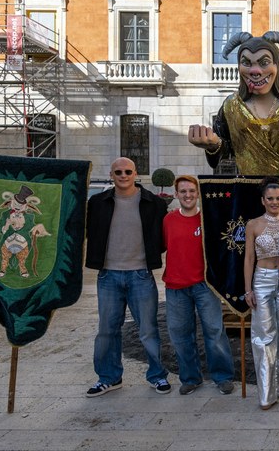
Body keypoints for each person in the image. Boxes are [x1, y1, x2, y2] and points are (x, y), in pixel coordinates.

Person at [188, 31, 279, 218]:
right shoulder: (231, 106)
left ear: (277, 65)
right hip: (246, 195)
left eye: (263, 62)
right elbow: (223, 153)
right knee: (246, 244)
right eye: (247, 63)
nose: (255, 71)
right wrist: (213, 144)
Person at [85, 157, 170, 397]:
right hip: (108, 276)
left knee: (148, 329)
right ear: (111, 175)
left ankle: (157, 376)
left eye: (128, 171)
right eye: (118, 172)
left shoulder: (153, 203)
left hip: (140, 275)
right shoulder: (97, 203)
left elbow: (162, 236)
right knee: (107, 330)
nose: (123, 175)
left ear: (136, 174)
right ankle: (109, 378)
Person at [162, 175, 235, 396]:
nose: (188, 195)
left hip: (205, 285)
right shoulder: (168, 220)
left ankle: (222, 376)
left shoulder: (208, 221)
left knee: (214, 331)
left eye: (192, 191)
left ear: (198, 194)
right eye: (183, 191)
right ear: (176, 195)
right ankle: (191, 378)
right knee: (180, 334)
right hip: (175, 286)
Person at [243, 177, 279, 409]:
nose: (275, 202)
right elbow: (248, 259)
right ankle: (266, 393)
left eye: (278, 198)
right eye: (270, 199)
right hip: (262, 280)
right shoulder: (253, 225)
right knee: (264, 335)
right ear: (263, 200)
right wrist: (248, 290)